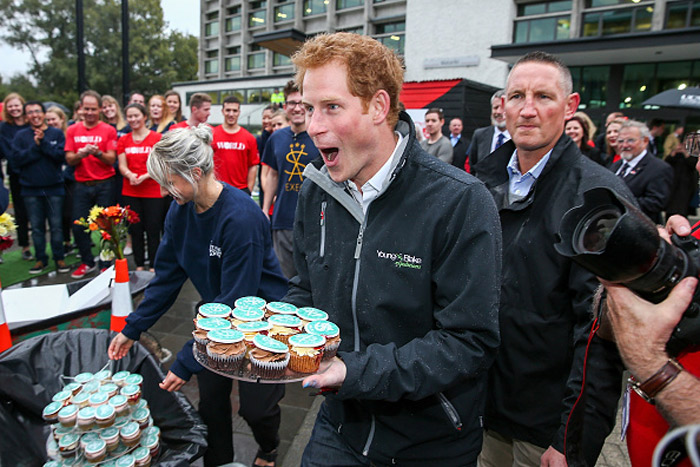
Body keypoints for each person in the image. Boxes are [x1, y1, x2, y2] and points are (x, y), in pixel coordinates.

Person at [285, 32, 501, 466]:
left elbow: (470, 341)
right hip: (339, 426)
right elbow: (306, 288)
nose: (312, 126)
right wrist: (277, 335)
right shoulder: (317, 190)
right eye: (309, 109)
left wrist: (354, 371)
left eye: (331, 107)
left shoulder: (459, 200)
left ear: (379, 107)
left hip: (429, 444)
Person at [474, 51, 634, 467]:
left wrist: (571, 439)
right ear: (502, 106)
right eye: (516, 96)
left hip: (544, 427)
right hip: (481, 411)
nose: (527, 110)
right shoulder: (480, 184)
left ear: (570, 107)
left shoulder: (598, 198)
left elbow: (601, 336)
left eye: (543, 96)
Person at [108, 125, 288, 467]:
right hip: (216, 314)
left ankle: (269, 447)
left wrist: (187, 359)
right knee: (211, 405)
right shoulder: (180, 210)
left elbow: (237, 301)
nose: (163, 191)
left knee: (256, 409)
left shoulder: (241, 219)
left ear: (194, 173)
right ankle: (218, 461)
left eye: (168, 182)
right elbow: (167, 278)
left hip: (260, 320)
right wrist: (133, 328)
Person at [261, 80, 320, 279]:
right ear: (285, 107)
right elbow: (273, 175)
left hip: (314, 221)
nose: (296, 108)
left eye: (300, 102)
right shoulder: (276, 138)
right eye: (291, 103)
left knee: (312, 280)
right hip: (283, 219)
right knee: (284, 280)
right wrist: (265, 209)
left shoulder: (319, 135)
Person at [9, 101, 68, 274]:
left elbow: (59, 156)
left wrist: (43, 143)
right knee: (36, 227)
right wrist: (35, 146)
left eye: (37, 111)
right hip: (30, 189)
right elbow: (16, 160)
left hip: (54, 188)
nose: (34, 115)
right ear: (26, 116)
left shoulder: (56, 133)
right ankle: (40, 259)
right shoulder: (20, 136)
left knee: (56, 226)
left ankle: (59, 258)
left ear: (43, 114)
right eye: (30, 112)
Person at [65, 90, 118, 279]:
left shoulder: (108, 129)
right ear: (80, 109)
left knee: (107, 226)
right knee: (79, 225)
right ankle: (86, 261)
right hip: (81, 184)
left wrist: (96, 153)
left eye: (93, 109)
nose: (89, 112)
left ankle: (105, 263)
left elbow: (112, 159)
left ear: (100, 109)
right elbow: (69, 159)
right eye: (86, 108)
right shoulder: (72, 130)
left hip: (104, 183)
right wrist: (81, 153)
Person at [116, 103, 166, 272]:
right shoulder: (123, 140)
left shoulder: (157, 138)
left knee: (153, 229)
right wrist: (130, 175)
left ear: (145, 116)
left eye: (136, 115)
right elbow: (122, 165)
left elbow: (160, 164)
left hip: (153, 191)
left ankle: (153, 265)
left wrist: (145, 176)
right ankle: (138, 264)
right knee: (135, 230)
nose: (133, 119)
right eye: (129, 116)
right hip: (131, 190)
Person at [610, 120, 673, 223]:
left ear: (645, 141)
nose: (625, 145)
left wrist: (617, 202)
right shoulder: (615, 166)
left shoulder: (659, 168)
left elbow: (656, 203)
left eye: (630, 140)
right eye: (621, 141)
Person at [0, 92, 32, 260]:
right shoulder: (4, 128)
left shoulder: (31, 124)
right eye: (10, 106)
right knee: (20, 212)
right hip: (17, 174)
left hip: (34, 173)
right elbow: (8, 152)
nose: (14, 109)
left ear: (22, 105)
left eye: (16, 105)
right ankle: (25, 246)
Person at [211, 96, 259, 194]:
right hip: (217, 188)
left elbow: (253, 166)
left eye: (234, 111)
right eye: (228, 110)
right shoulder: (212, 134)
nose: (231, 114)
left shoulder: (249, 138)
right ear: (222, 111)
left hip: (241, 189)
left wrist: (248, 189)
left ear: (239, 112)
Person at [47, 106, 76, 255]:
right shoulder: (46, 136)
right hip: (54, 180)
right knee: (59, 214)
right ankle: (66, 241)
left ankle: (77, 240)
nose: (51, 122)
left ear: (61, 119)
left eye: (54, 119)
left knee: (71, 212)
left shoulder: (69, 133)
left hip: (70, 179)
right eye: (48, 120)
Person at [467, 90, 509, 176]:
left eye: (503, 107)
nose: (498, 112)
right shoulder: (479, 135)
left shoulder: (518, 138)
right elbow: (473, 167)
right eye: (495, 107)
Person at [664, 138, 698, 217]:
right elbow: (667, 162)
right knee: (671, 208)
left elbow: (693, 165)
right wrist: (674, 152)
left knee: (682, 209)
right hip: (674, 184)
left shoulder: (694, 153)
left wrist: (686, 154)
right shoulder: (677, 153)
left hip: (686, 186)